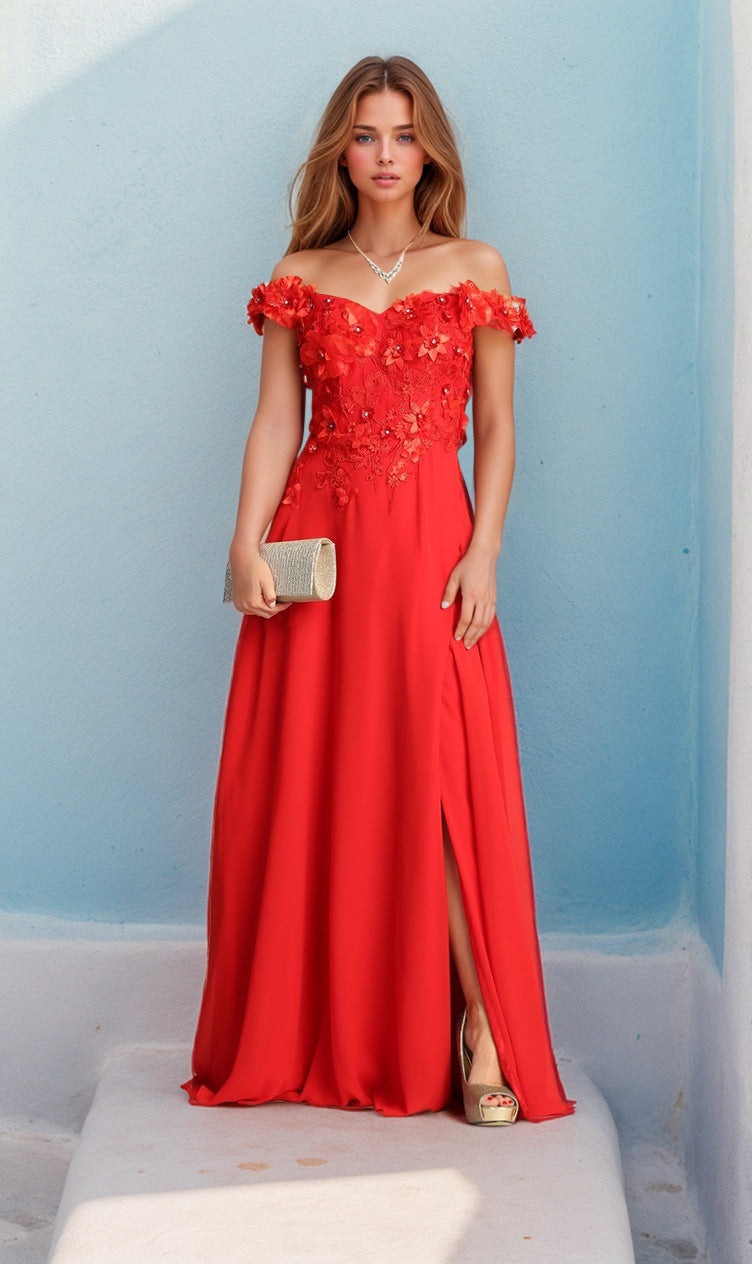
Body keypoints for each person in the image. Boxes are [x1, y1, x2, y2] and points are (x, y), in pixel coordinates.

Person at [181, 54, 576, 1126]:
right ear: (339, 151)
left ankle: (480, 1034)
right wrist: (244, 544)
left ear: (429, 147)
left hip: (431, 550)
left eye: (403, 135)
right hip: (322, 548)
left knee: (439, 781)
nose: (386, 155)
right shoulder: (301, 274)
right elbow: (277, 423)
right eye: (366, 135)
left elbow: (494, 428)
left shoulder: (474, 264)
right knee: (324, 779)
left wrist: (484, 547)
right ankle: (333, 1021)